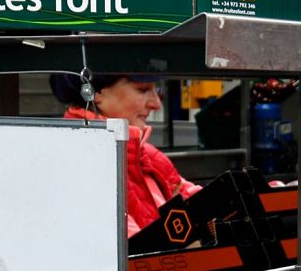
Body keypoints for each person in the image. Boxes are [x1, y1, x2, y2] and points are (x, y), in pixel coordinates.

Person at [50, 73, 200, 237]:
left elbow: (205, 207)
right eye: (142, 90)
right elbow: (129, 252)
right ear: (96, 92)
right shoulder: (76, 163)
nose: (156, 104)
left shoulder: (148, 155)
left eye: (157, 89)